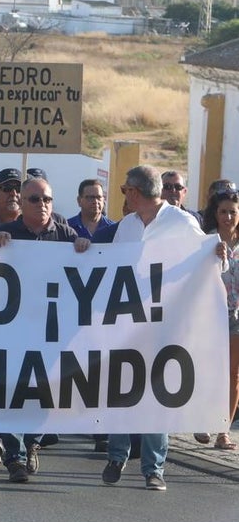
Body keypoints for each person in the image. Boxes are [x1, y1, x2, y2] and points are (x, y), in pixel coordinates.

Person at [102, 165, 223, 491]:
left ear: (136, 192)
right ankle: (117, 455)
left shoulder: (181, 223)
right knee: (121, 393)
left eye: (126, 189)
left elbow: (209, 257)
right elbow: (109, 268)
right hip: (127, 324)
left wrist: (219, 253)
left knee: (156, 396)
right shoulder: (126, 226)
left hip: (165, 326)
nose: (124, 194)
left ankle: (153, 469)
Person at [0, 176, 91, 483]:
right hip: (13, 330)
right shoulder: (6, 233)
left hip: (50, 331)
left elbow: (93, 268)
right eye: (35, 199)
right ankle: (14, 456)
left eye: (47, 199)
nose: (43, 205)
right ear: (22, 202)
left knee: (44, 393)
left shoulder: (64, 233)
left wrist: (84, 247)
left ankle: (33, 442)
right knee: (11, 392)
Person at [193, 184, 239, 451]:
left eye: (233, 212)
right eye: (224, 212)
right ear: (216, 213)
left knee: (232, 375)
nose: (229, 217)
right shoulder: (206, 241)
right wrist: (210, 256)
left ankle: (223, 431)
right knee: (207, 369)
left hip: (236, 315)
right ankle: (202, 418)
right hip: (211, 315)